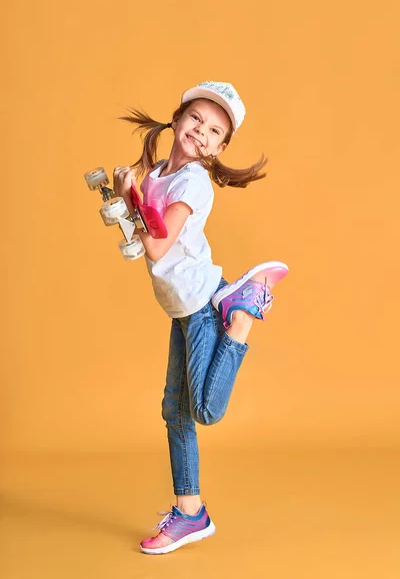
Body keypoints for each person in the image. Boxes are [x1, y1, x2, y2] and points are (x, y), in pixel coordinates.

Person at [113, 81, 289, 555]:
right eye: (196, 119)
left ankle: (245, 311)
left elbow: (155, 243)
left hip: (203, 307)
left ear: (219, 148)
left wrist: (132, 199)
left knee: (205, 411)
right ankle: (191, 514)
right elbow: (138, 223)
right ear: (177, 118)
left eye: (214, 130)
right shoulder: (158, 175)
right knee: (175, 412)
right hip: (181, 308)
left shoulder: (191, 182)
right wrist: (124, 191)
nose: (202, 131)